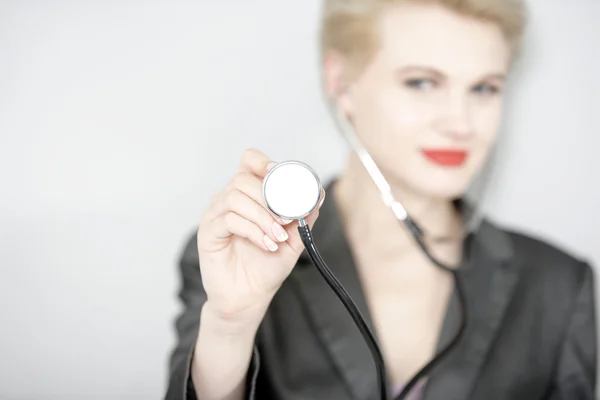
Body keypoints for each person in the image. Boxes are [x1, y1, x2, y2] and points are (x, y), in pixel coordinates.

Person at [165, 0, 597, 399]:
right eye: (422, 82)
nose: (460, 122)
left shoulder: (558, 285)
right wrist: (231, 323)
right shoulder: (243, 252)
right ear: (341, 83)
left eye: (483, 88)